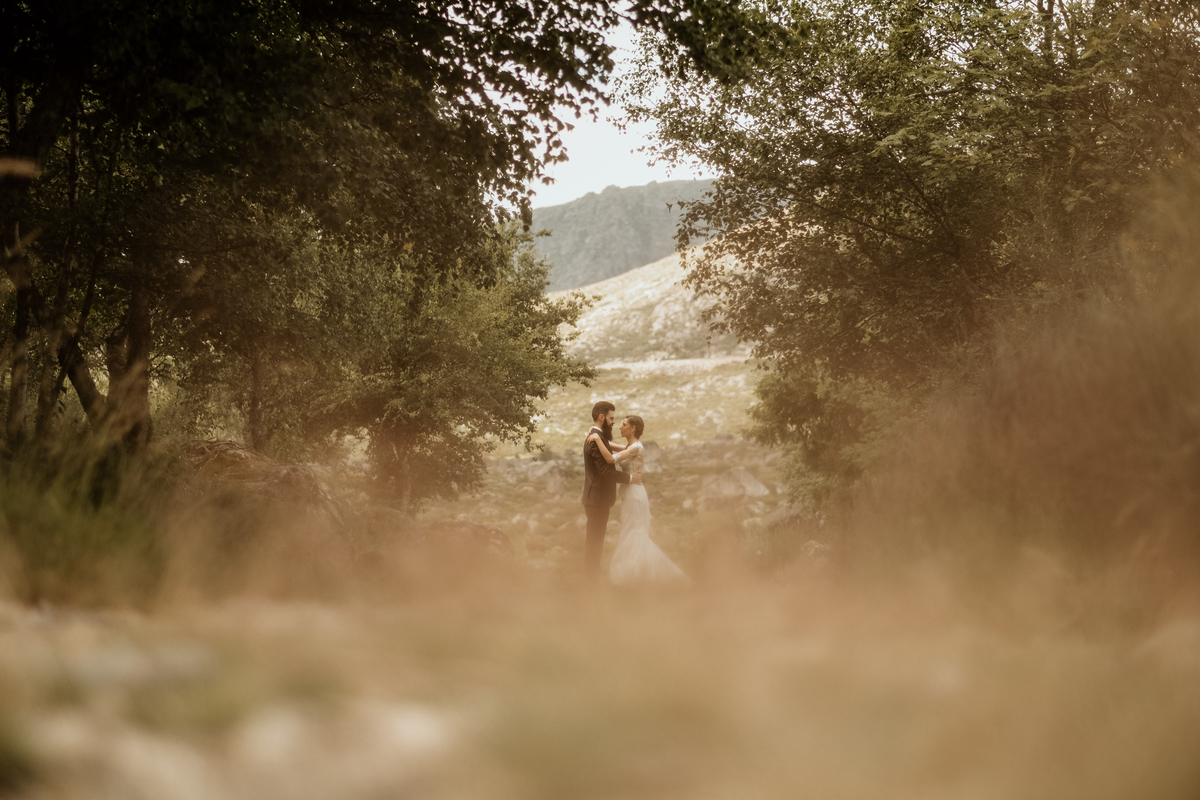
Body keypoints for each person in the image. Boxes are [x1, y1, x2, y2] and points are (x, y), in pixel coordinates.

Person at [588, 414, 687, 585]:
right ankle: (636, 572)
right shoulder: (630, 445)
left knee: (635, 533)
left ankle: (637, 575)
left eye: (624, 424)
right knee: (630, 531)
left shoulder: (635, 447)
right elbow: (610, 445)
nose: (620, 427)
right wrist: (596, 435)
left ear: (632, 428)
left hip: (634, 495)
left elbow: (610, 458)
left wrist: (596, 439)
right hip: (630, 493)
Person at [581, 401, 641, 578]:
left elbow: (607, 445)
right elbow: (606, 471)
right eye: (611, 418)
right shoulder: (594, 439)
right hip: (597, 499)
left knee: (595, 540)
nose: (614, 422)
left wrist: (626, 449)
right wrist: (630, 478)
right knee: (594, 541)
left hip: (596, 498)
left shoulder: (596, 435)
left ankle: (592, 577)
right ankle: (591, 580)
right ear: (602, 417)